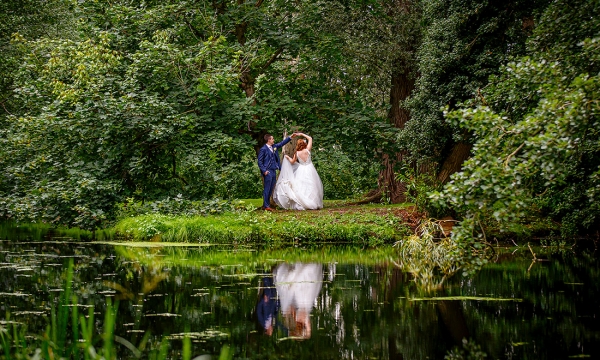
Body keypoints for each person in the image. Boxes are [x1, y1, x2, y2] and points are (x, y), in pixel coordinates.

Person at [273, 133, 324, 210]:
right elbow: (310, 138)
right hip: (310, 168)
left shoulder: (297, 153)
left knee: (301, 186)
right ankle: (313, 201)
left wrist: (287, 157)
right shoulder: (307, 150)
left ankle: (303, 202)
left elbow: (292, 162)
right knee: (312, 185)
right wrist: (301, 134)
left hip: (301, 169)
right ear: (304, 144)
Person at [273, 262, 323, 340]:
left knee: (297, 278)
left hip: (294, 297)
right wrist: (307, 333)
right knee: (304, 276)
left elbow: (290, 310)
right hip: (299, 298)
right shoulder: (301, 318)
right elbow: (308, 327)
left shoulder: (290, 320)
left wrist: (307, 333)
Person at [257, 133, 297, 211]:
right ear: (269, 140)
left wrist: (290, 137)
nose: (273, 140)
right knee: (267, 188)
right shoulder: (263, 149)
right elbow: (260, 162)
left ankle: (267, 205)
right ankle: (266, 206)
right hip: (267, 171)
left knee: (271, 188)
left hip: (274, 170)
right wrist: (264, 171)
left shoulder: (274, 147)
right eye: (272, 139)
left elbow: (282, 143)